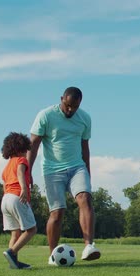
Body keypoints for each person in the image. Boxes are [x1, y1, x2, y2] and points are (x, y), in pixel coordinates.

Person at [27, 86, 101, 265]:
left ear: (79, 104)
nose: (70, 110)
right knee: (57, 212)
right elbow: (34, 145)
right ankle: (53, 255)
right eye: (67, 105)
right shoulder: (45, 115)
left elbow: (85, 148)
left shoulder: (85, 118)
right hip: (52, 170)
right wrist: (27, 172)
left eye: (74, 107)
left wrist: (88, 172)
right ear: (61, 99)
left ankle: (89, 246)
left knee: (85, 198)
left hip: (77, 167)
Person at [0, 132, 37, 269]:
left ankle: (13, 262)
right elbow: (21, 173)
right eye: (25, 149)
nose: (26, 152)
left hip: (6, 199)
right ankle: (12, 252)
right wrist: (24, 189)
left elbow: (4, 184)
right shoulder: (21, 161)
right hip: (17, 196)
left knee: (15, 233)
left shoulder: (6, 167)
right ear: (20, 148)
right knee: (31, 229)